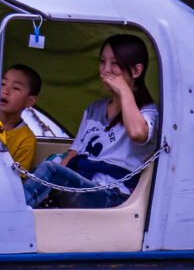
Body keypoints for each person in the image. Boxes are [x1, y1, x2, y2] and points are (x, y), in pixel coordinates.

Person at [24, 34, 158, 209]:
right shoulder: (94, 109)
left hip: (114, 194)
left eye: (115, 63)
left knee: (50, 171)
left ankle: (10, 217)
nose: (105, 70)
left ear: (136, 71)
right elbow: (73, 153)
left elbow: (137, 133)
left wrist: (125, 91)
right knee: (40, 172)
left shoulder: (148, 112)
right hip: (83, 183)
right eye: (102, 62)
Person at [0, 64, 41, 171]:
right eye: (3, 84)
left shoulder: (26, 140)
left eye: (15, 88)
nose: (5, 91)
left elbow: (17, 179)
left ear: (30, 101)